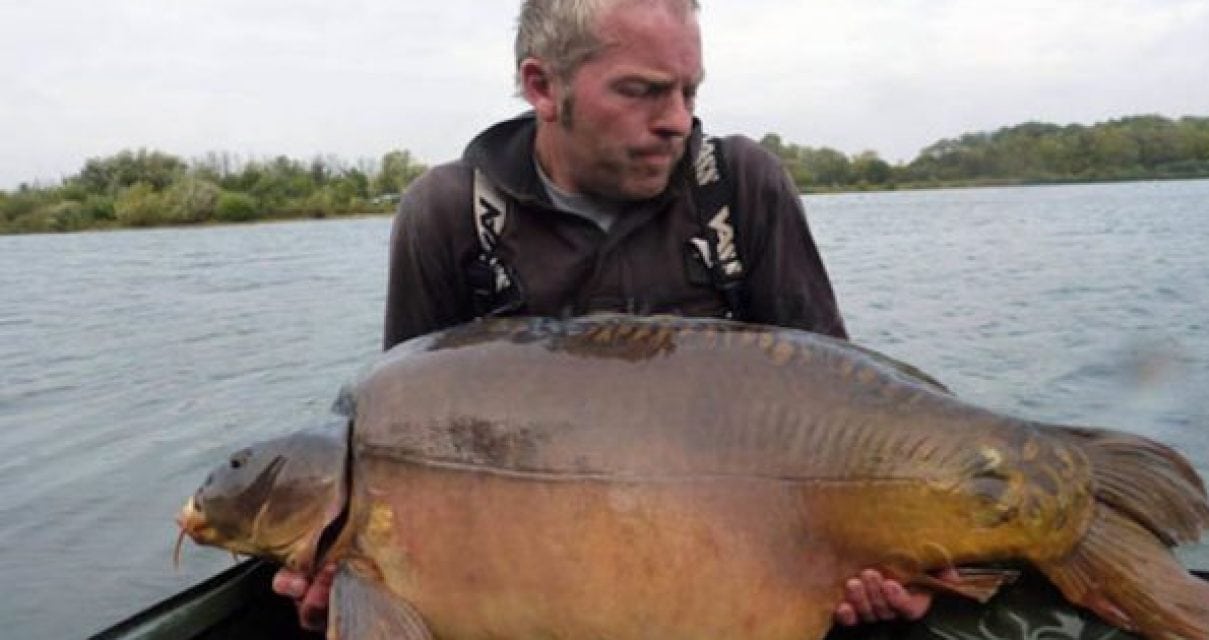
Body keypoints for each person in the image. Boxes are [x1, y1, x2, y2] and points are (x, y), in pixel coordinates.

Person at [274, 0, 954, 634]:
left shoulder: (740, 188)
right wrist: (351, 571)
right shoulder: (449, 215)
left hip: (736, 573)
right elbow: (402, 446)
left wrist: (900, 559)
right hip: (536, 585)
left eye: (690, 92)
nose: (678, 121)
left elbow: (841, 420)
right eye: (643, 91)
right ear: (543, 87)